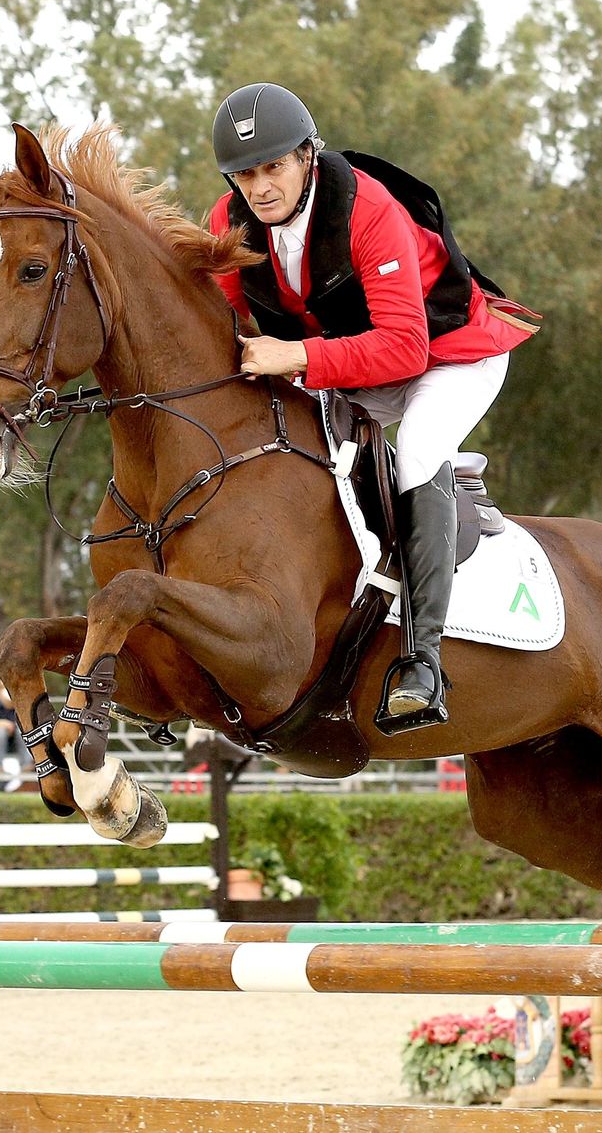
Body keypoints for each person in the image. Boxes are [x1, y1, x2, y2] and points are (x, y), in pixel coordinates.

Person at [207, 82, 535, 727]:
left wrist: (295, 357)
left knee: (413, 451)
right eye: (244, 174)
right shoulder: (230, 221)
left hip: (450, 354)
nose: (260, 188)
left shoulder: (366, 208)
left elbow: (405, 350)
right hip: (350, 363)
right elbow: (216, 319)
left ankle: (423, 661)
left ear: (307, 156)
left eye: (273, 167)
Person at [0, 679, 26, 792]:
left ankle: (26, 764)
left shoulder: (18, 705)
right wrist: (4, 724)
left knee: (20, 731)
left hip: (15, 741)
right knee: (1, 732)